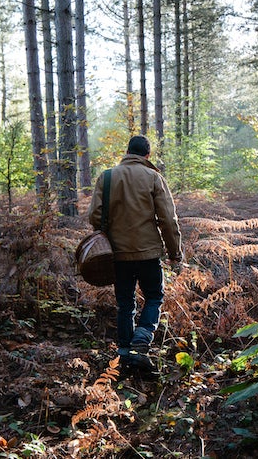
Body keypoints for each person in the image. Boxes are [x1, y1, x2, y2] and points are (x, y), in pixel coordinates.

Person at [89, 135, 182, 372]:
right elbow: (168, 221)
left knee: (124, 303)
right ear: (147, 155)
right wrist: (175, 254)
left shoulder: (107, 177)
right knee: (153, 297)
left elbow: (95, 216)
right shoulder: (154, 178)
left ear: (127, 151)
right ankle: (140, 344)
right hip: (149, 253)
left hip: (117, 254)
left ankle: (123, 353)